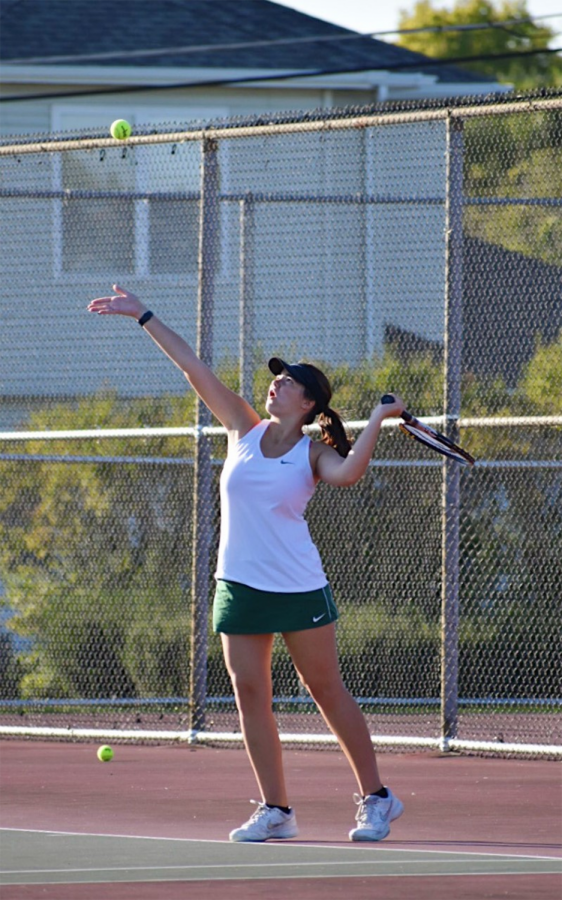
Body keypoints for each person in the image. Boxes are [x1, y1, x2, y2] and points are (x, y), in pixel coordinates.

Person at [87, 284, 406, 843]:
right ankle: (276, 809)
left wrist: (379, 419)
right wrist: (143, 315)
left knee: (325, 690)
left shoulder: (315, 453)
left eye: (288, 381)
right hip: (238, 584)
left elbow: (348, 473)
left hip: (299, 586)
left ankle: (377, 799)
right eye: (276, 378)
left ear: (308, 403)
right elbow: (194, 368)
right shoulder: (243, 426)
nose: (276, 382)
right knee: (249, 692)